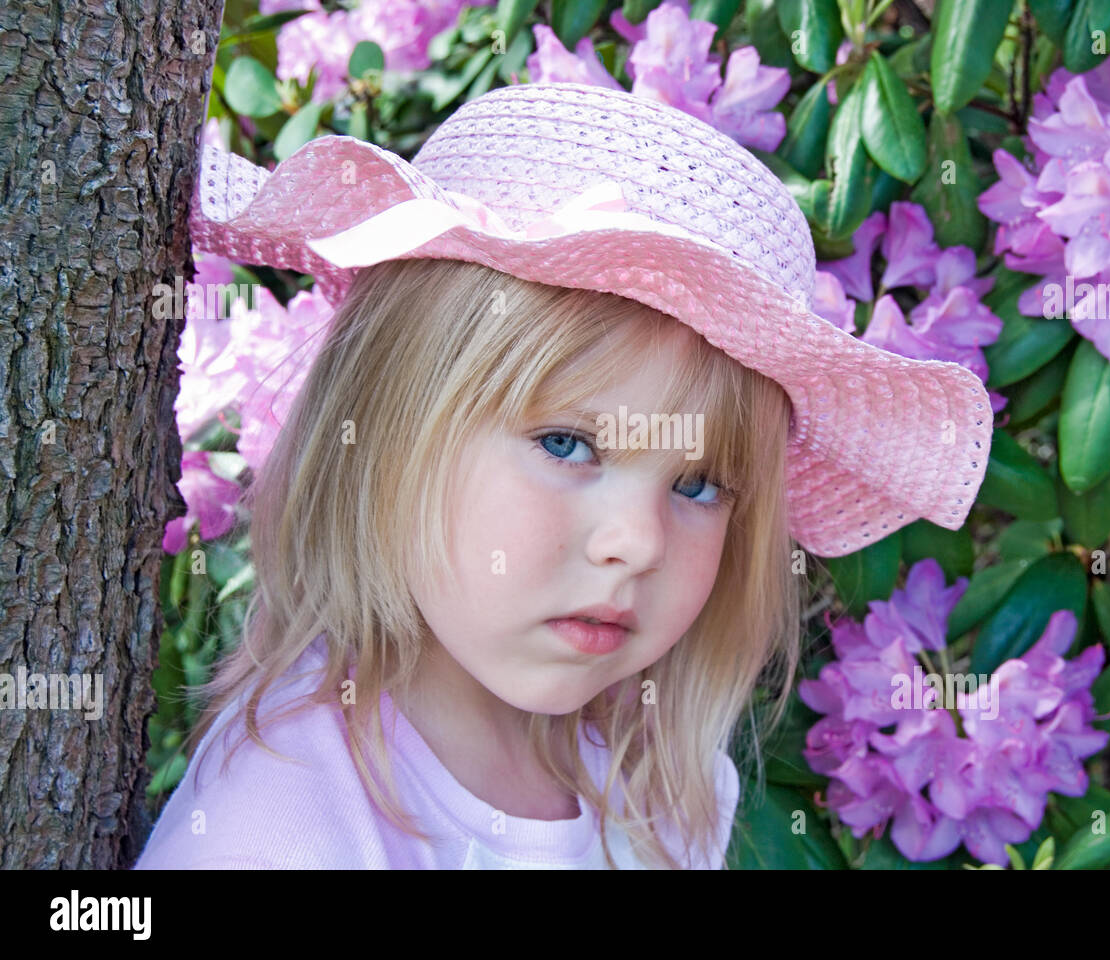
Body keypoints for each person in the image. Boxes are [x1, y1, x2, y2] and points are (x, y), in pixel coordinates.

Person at [134, 81, 992, 869]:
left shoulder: (658, 787)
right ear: (384, 432)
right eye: (567, 445)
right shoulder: (280, 829)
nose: (637, 543)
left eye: (699, 486)